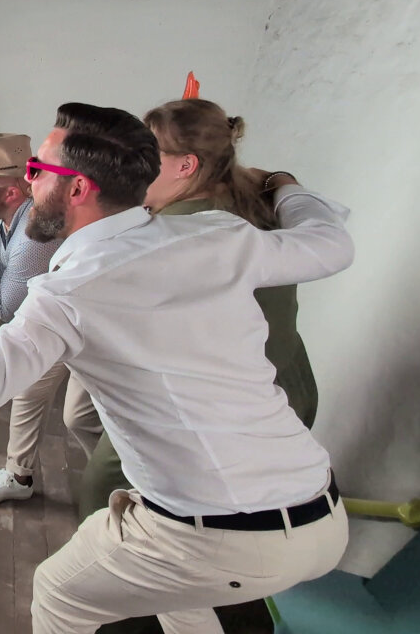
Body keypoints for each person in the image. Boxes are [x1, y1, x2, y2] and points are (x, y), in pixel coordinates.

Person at [0, 102, 352, 633]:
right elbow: (330, 244)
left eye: (37, 170)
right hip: (321, 517)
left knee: (59, 595)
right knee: (175, 593)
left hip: (214, 534)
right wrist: (285, 185)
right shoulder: (217, 235)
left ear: (77, 188)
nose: (26, 178)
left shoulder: (70, 291)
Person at [73, 98, 321, 521]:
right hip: (288, 388)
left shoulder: (182, 232)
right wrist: (282, 179)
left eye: (147, 156)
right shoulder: (253, 198)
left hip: (228, 399)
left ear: (186, 166)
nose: (135, 165)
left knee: (100, 489)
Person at [0, 133, 100, 505]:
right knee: (28, 389)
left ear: (11, 194)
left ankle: (122, 481)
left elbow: (10, 307)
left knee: (80, 417)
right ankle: (18, 477)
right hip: (53, 319)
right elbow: (0, 292)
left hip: (92, 324)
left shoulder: (35, 234)